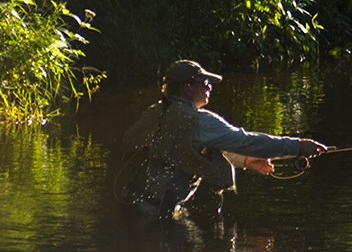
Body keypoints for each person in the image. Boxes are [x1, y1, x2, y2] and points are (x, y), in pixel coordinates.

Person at [117, 59, 327, 219]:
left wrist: (244, 161)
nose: (210, 87)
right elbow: (247, 142)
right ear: (187, 87)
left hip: (128, 203)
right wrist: (298, 146)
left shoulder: (154, 112)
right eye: (204, 82)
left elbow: (179, 152)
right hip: (156, 215)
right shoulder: (200, 121)